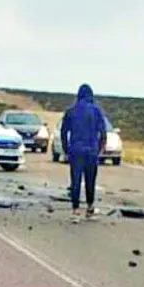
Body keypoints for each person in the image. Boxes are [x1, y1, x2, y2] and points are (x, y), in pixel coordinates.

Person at [60, 83, 108, 218]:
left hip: (76, 149)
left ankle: (75, 209)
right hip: (91, 150)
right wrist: (99, 149)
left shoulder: (71, 111)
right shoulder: (96, 111)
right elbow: (103, 132)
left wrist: (66, 149)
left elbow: (64, 132)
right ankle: (90, 206)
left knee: (75, 179)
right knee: (90, 179)